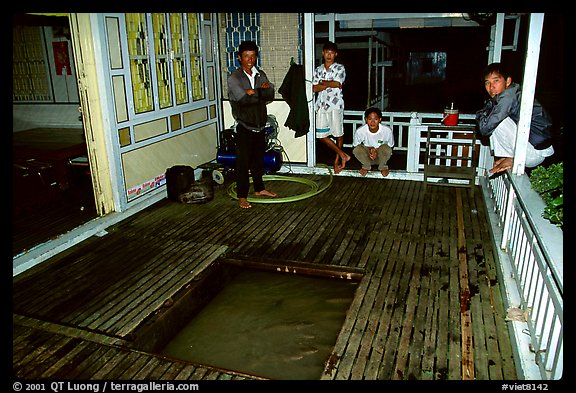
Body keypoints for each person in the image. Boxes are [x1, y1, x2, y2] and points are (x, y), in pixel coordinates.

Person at [475, 62, 554, 174]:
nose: (491, 87)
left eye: (496, 81)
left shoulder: (508, 96)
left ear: (508, 81)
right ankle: (509, 157)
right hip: (534, 149)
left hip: (534, 152)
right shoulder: (509, 94)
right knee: (494, 118)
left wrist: (482, 117)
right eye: (487, 82)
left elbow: (484, 128)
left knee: (496, 122)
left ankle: (510, 157)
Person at [227, 40, 278, 209]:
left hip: (260, 125)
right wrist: (259, 91)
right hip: (244, 126)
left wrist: (254, 92)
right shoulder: (234, 78)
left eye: (253, 56)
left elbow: (270, 94)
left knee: (258, 161)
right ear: (239, 58)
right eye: (246, 56)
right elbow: (243, 100)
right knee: (243, 164)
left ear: (256, 57)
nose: (250, 60)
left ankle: (259, 189)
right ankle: (242, 196)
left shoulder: (260, 73)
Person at [312, 41, 350, 174]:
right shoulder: (318, 69)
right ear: (323, 53)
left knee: (338, 133)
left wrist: (323, 83)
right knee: (321, 135)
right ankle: (343, 154)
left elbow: (338, 84)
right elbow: (314, 88)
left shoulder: (340, 68)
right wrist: (329, 83)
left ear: (335, 54)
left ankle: (337, 160)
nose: (329, 55)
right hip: (321, 105)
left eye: (331, 53)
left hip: (335, 105)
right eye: (326, 52)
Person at [352, 107, 394, 177]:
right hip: (367, 157)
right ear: (366, 119)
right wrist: (371, 149)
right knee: (357, 149)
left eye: (376, 119)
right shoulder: (360, 131)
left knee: (386, 148)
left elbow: (391, 146)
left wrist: (376, 151)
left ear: (380, 119)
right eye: (370, 119)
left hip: (381, 157)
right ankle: (366, 166)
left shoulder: (387, 130)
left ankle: (383, 167)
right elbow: (355, 146)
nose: (372, 122)